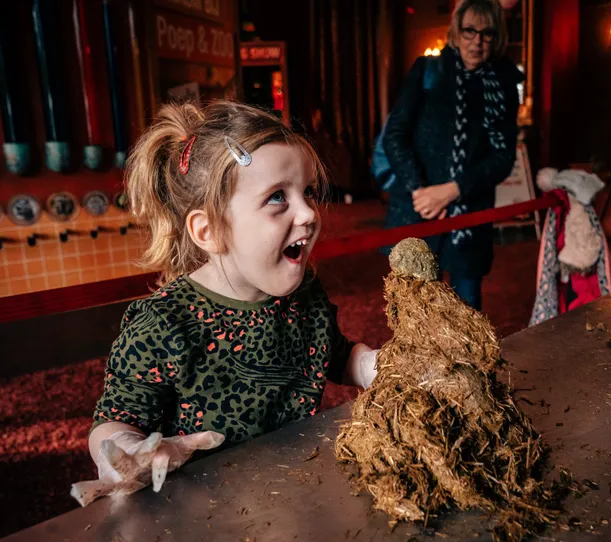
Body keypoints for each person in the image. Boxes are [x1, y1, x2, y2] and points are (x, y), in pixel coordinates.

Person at [70, 101, 379, 506]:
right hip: (203, 512)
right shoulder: (163, 324)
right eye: (277, 198)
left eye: (307, 193)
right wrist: (126, 449)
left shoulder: (305, 296)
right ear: (210, 230)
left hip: (295, 493)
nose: (308, 213)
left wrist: (374, 365)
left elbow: (331, 354)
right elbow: (115, 419)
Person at [382, 0, 523, 311]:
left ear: (497, 37)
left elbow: (502, 157)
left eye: (487, 34)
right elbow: (395, 136)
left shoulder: (503, 84)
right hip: (416, 208)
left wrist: (452, 190)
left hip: (469, 217)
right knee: (414, 312)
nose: (477, 41)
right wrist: (420, 191)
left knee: (467, 311)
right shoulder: (428, 71)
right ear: (455, 32)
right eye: (469, 31)